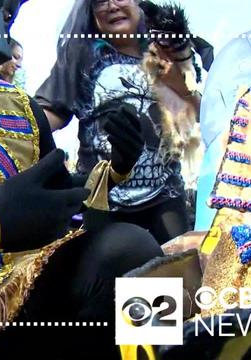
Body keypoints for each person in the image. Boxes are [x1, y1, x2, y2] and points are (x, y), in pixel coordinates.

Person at [0, 1, 160, 359]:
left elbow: (57, 208)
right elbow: (11, 217)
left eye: (6, 13)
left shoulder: (18, 110)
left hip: (15, 311)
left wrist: (116, 167)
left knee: (133, 251)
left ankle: (167, 353)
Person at [36, 0, 200, 244]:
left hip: (166, 197)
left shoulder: (167, 48)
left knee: (171, 275)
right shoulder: (81, 55)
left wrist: (178, 81)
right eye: (100, 1)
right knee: (117, 274)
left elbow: (201, 113)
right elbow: (46, 117)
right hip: (104, 198)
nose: (112, 6)